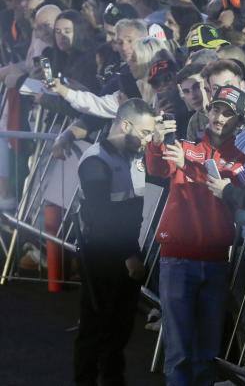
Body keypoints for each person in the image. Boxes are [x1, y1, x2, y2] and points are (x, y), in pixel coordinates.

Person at [145, 86, 245, 385]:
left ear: (239, 119)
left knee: (206, 355)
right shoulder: (183, 145)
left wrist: (188, 166)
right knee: (179, 353)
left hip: (217, 262)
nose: (219, 117)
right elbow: (156, 167)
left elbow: (236, 191)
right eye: (216, 109)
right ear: (208, 111)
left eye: (228, 112)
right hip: (177, 258)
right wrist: (157, 141)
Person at [74, 99, 157, 386]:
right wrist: (130, 255)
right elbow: (102, 218)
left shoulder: (134, 157)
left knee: (120, 330)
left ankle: (112, 381)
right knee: (96, 328)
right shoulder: (96, 161)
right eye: (145, 133)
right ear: (126, 125)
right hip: (100, 255)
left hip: (125, 252)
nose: (148, 140)